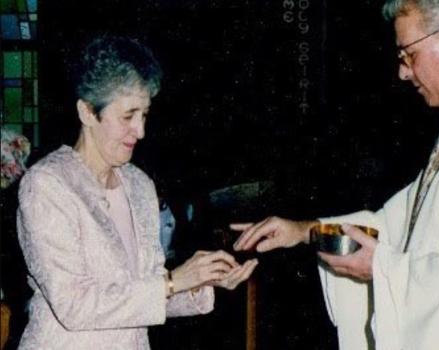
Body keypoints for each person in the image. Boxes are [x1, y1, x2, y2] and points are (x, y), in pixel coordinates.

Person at [233, 0, 439, 349]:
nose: (403, 72)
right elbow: (400, 224)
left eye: (409, 54)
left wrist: (381, 269)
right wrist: (303, 231)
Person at [16, 36, 258, 349]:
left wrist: (201, 281)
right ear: (87, 112)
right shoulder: (47, 185)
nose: (140, 131)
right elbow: (73, 305)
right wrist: (172, 282)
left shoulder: (139, 184)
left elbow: (144, 294)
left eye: (144, 115)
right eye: (128, 116)